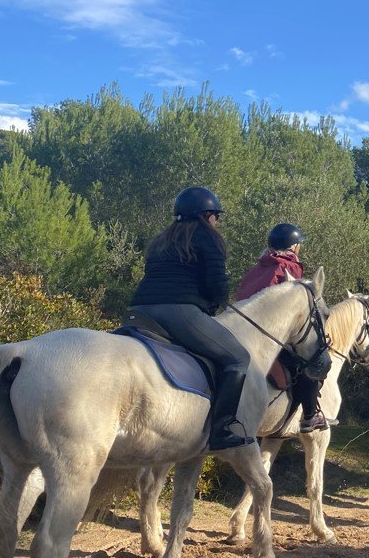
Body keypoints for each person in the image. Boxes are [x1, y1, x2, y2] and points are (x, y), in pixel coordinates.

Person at [129, 186, 255, 451]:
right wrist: (212, 306)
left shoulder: (160, 240)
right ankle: (221, 430)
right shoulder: (208, 238)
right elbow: (216, 283)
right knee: (238, 358)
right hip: (179, 312)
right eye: (216, 216)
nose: (216, 222)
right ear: (206, 214)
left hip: (140, 310)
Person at [235, 222, 334, 433]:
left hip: (241, 328)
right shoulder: (289, 266)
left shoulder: (259, 266)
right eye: (299, 245)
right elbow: (294, 308)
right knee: (306, 365)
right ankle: (310, 415)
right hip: (269, 331)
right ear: (293, 247)